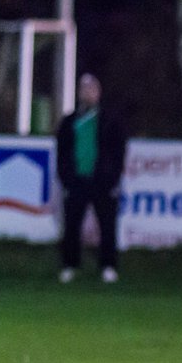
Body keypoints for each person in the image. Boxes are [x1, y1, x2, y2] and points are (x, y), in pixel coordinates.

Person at [55, 73, 127, 284]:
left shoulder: (110, 120)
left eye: (91, 89)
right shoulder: (69, 121)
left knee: (107, 225)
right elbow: (62, 152)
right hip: (76, 180)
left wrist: (112, 176)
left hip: (102, 181)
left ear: (98, 92)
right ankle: (70, 266)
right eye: (84, 89)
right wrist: (66, 178)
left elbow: (119, 151)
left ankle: (108, 266)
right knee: (71, 225)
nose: (87, 93)